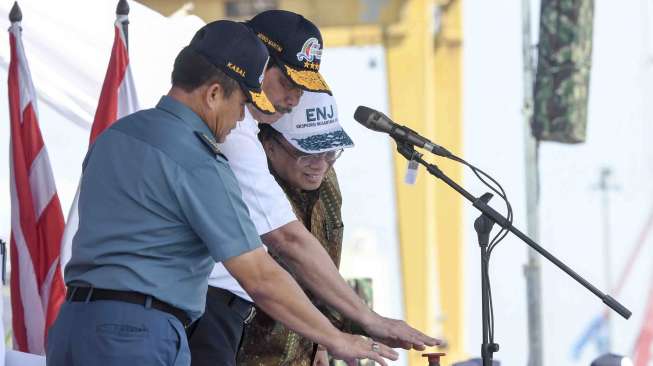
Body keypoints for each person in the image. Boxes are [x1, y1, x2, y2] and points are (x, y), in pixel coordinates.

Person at [46, 20, 398, 366]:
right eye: (243, 104)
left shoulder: (117, 136)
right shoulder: (198, 161)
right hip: (137, 335)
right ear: (214, 94)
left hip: (73, 327)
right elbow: (259, 275)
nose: (242, 120)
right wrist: (337, 337)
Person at [192, 9, 439, 366]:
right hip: (206, 313)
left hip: (229, 318)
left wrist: (325, 339)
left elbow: (312, 255)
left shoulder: (245, 128)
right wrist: (362, 323)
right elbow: (288, 242)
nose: (293, 98)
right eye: (290, 83)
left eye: (329, 154)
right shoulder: (236, 133)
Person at [237, 91, 357, 366]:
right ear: (268, 143)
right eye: (306, 152)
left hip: (307, 347)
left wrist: (322, 343)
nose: (320, 165)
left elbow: (323, 266)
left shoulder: (325, 178)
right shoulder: (246, 182)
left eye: (329, 152)